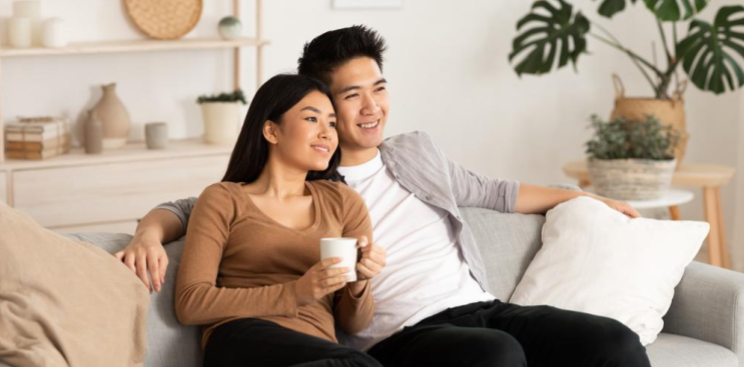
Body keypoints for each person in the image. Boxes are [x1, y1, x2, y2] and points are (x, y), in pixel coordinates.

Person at [116, 26, 650, 367]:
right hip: (404, 337)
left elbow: (494, 190)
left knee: (612, 342)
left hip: (484, 308)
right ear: (318, 105)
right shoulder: (317, 188)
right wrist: (147, 230)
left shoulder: (414, 153)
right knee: (496, 356)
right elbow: (202, 206)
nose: (371, 107)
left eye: (379, 88)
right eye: (350, 96)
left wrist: (586, 199)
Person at [171, 73, 385, 367]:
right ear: (271, 131)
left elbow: (354, 324)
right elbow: (190, 303)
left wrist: (360, 283)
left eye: (332, 123)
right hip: (241, 337)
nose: (327, 133)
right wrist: (295, 292)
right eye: (312, 119)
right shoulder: (224, 199)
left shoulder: (344, 202)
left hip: (320, 352)